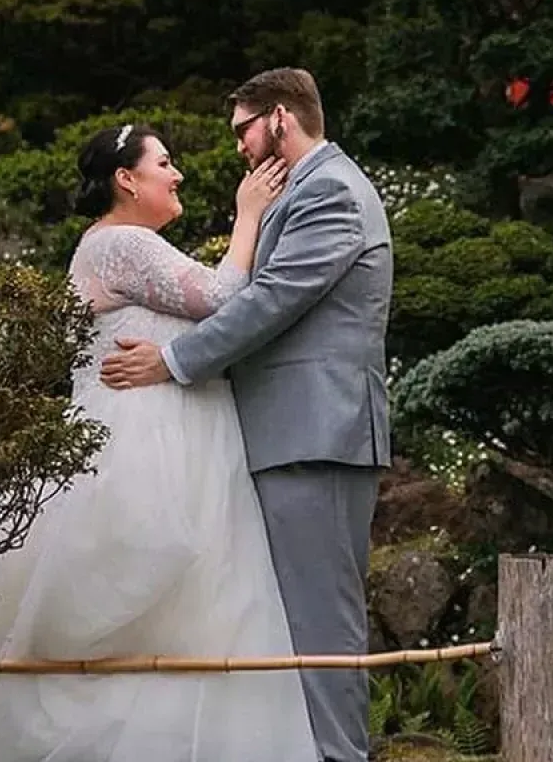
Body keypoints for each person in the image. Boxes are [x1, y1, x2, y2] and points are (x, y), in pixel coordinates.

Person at [0, 124, 317, 762]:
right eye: (165, 162)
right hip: (146, 446)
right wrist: (249, 214)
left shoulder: (119, 245)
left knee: (194, 611)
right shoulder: (122, 243)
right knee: (151, 605)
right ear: (126, 180)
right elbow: (220, 298)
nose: (178, 173)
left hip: (178, 439)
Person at [101, 68, 393, 762]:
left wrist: (171, 362)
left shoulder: (329, 192)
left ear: (282, 119)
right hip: (297, 434)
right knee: (298, 622)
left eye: (243, 130)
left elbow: (270, 302)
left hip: (316, 435)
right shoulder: (309, 187)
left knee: (322, 626)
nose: (237, 147)